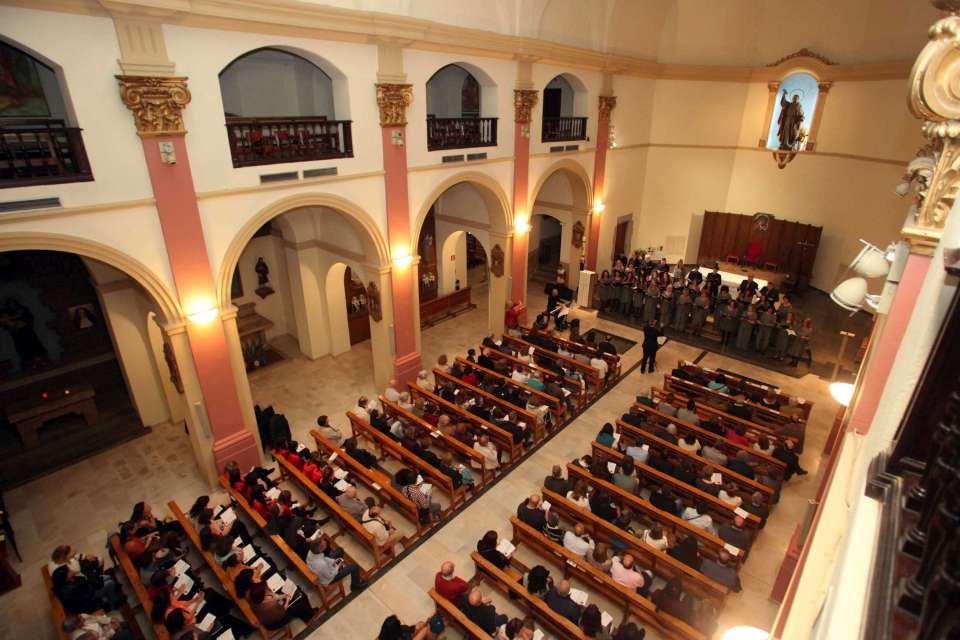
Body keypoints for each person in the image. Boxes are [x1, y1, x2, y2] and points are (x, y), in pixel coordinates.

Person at [246, 580, 319, 630]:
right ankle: (309, 617)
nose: (267, 588)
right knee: (301, 598)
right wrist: (287, 599)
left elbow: (271, 598)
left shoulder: (252, 597)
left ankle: (303, 614)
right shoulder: (271, 606)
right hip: (276, 622)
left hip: (268, 616)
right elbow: (283, 611)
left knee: (295, 599)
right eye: (266, 589)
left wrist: (283, 596)